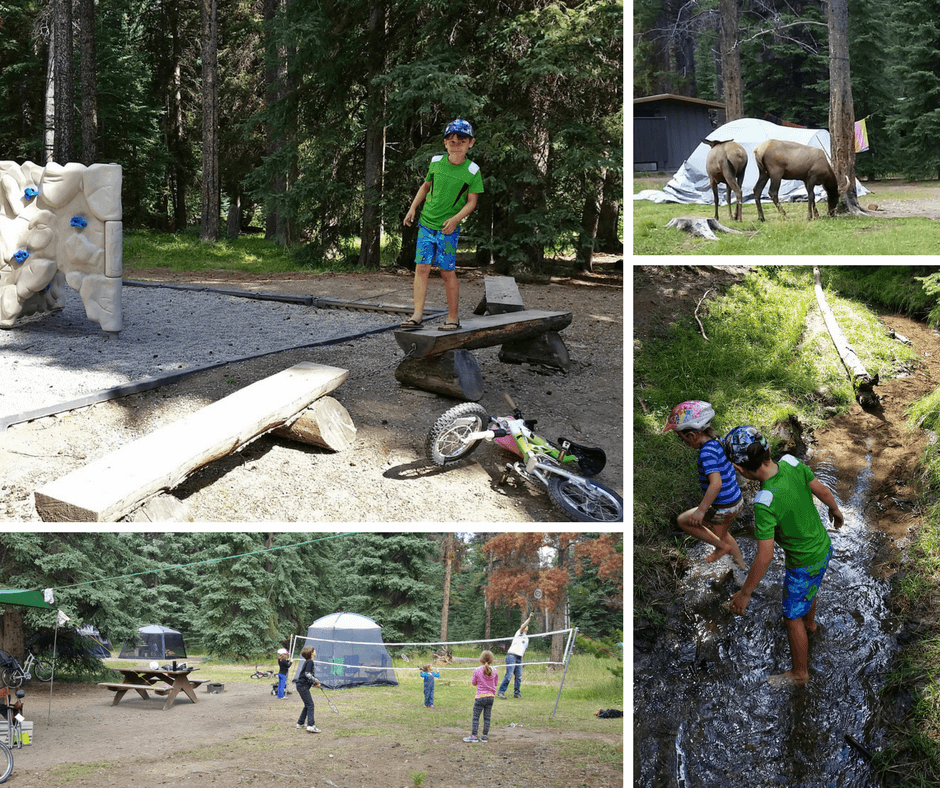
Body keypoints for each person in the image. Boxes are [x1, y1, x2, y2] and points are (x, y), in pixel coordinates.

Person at [725, 425, 844, 686]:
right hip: (823, 548)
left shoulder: (764, 501)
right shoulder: (791, 462)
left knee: (791, 617)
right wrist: (835, 510)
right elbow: (822, 490)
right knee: (808, 591)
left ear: (739, 469)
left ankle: (799, 673)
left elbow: (764, 557)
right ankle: (811, 625)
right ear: (768, 449)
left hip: (802, 563)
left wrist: (745, 593)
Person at [401, 119, 484, 332]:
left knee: (447, 271)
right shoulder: (436, 162)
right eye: (451, 140)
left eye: (461, 140)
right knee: (421, 268)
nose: (456, 144)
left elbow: (472, 201)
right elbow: (426, 186)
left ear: (470, 143)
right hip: (426, 225)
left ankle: (453, 317)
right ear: (445, 143)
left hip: (448, 229)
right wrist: (413, 208)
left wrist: (455, 219)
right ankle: (417, 314)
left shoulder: (473, 170)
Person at [663, 400, 746, 569]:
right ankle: (741, 569)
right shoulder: (718, 441)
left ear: (692, 436)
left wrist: (701, 511)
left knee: (684, 521)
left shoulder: (706, 453)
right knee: (724, 535)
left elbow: (715, 484)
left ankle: (721, 548)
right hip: (736, 500)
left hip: (723, 506)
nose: (682, 442)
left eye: (681, 438)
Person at [463, 650, 499, 743]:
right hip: (491, 697)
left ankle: (474, 736)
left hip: (480, 697)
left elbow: (473, 683)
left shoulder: (477, 670)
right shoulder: (495, 671)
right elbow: (495, 683)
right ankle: (484, 736)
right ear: (491, 660)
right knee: (487, 717)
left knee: (476, 717)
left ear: (480, 660)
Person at [497, 613, 533, 699]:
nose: (525, 626)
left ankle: (517, 693)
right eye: (524, 625)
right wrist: (530, 618)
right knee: (509, 675)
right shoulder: (519, 633)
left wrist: (522, 661)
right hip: (511, 656)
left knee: (519, 676)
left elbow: (523, 651)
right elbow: (524, 625)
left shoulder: (527, 639)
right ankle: (501, 692)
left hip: (519, 658)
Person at [294, 645, 321, 732]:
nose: (315, 651)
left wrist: (314, 683)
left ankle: (300, 723)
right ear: (311, 653)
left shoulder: (308, 662)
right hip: (302, 686)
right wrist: (316, 681)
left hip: (301, 686)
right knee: (310, 705)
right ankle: (311, 725)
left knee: (307, 704)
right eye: (314, 650)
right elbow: (308, 675)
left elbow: (307, 676)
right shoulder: (310, 662)